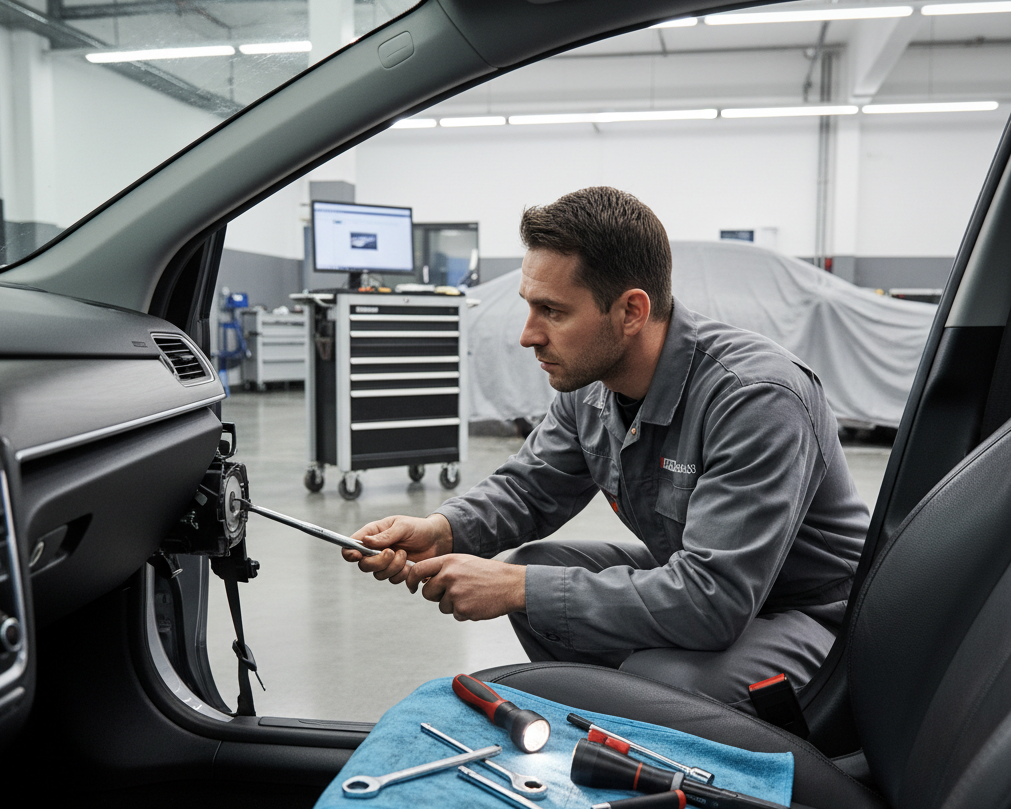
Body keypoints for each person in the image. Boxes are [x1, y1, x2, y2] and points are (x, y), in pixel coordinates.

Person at [343, 187, 870, 704]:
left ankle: (659, 722)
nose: (529, 336)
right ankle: (625, 717)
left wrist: (517, 587)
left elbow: (715, 598)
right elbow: (528, 489)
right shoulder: (593, 387)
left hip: (812, 613)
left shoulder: (754, 399)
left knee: (660, 678)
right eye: (530, 307)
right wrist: (442, 531)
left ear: (631, 312)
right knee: (539, 564)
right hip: (703, 581)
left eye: (552, 310)